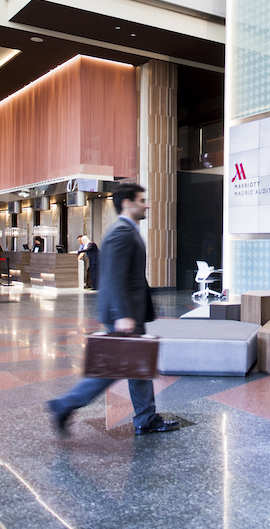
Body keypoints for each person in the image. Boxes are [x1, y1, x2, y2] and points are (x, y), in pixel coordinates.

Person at [46, 183, 179, 437]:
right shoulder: (121, 232)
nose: (146, 205)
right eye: (141, 200)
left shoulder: (126, 230)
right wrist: (122, 314)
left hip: (130, 312)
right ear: (127, 203)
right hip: (124, 314)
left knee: (138, 367)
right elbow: (114, 277)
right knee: (113, 370)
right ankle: (64, 404)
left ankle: (145, 418)